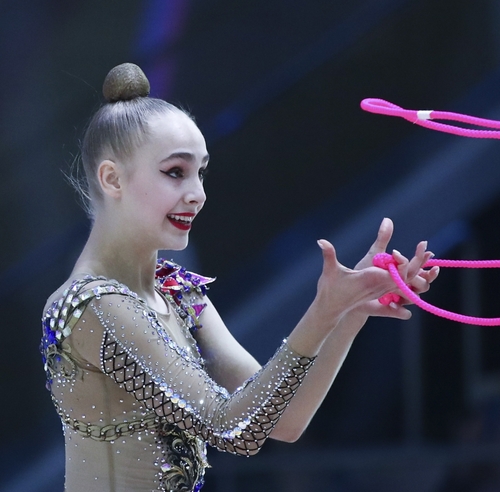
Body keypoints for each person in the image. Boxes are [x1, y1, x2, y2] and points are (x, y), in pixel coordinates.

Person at [40, 62, 439, 491]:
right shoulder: (95, 307)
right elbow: (233, 428)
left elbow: (282, 421)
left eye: (201, 172)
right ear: (112, 179)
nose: (198, 193)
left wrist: (349, 311)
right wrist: (323, 312)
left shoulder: (177, 293)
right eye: (176, 172)